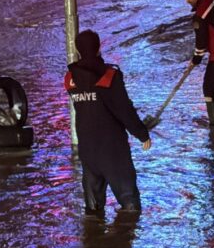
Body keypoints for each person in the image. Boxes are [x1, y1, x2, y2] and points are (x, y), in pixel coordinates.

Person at [65, 30, 151, 217]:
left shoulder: (70, 80)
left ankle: (93, 241)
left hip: (87, 149)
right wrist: (142, 133)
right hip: (113, 150)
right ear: (98, 48)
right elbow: (124, 110)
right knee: (130, 207)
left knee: (92, 211)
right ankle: (124, 238)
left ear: (78, 50)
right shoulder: (109, 76)